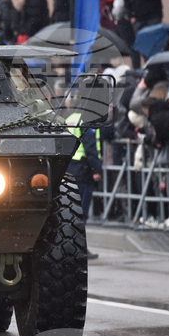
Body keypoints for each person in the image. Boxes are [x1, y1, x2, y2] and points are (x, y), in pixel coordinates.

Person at [66, 108, 102, 259]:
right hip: (83, 170)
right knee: (82, 212)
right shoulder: (87, 120)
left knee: (71, 211)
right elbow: (90, 147)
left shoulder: (70, 118)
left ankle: (69, 247)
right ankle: (80, 248)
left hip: (70, 167)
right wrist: (97, 169)